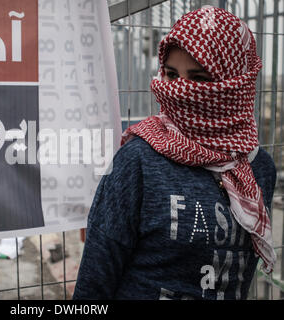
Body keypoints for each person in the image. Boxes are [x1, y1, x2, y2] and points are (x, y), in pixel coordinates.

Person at [73, 6, 277, 300]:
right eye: (171, 74)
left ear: (236, 83)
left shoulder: (259, 169)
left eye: (199, 79)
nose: (180, 90)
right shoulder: (138, 160)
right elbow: (95, 279)